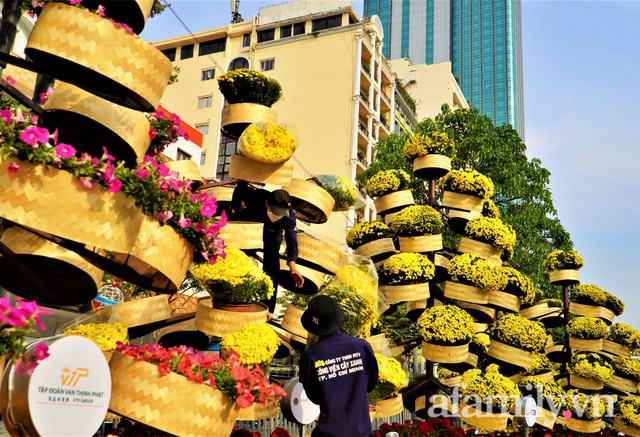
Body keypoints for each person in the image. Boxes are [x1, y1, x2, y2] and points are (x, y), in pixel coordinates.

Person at [298, 295, 379, 437]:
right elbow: (371, 385)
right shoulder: (362, 347)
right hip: (362, 432)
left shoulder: (310, 357)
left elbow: (315, 397)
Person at [228, 180, 304, 313]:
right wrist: (234, 209)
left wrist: (292, 265)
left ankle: (267, 308)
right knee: (242, 255)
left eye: (281, 213)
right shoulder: (256, 196)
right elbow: (240, 187)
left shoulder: (289, 216)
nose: (277, 215)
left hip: (272, 232)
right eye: (275, 211)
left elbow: (292, 240)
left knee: (273, 265)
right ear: (267, 203)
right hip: (252, 221)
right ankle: (234, 295)